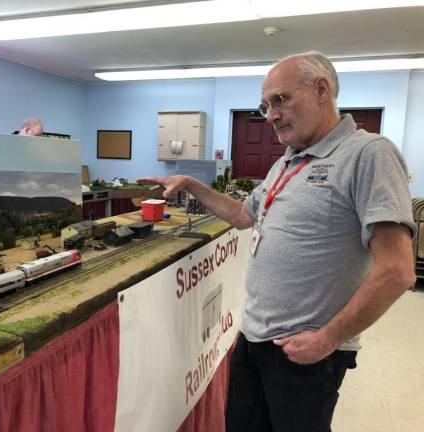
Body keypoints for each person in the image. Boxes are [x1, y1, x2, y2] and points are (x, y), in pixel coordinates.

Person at [138, 51, 416, 432]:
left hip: (306, 351)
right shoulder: (286, 162)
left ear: (321, 90)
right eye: (264, 105)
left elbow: (398, 270)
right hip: (253, 339)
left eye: (280, 100)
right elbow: (242, 216)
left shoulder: (368, 154)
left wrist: (327, 339)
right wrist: (190, 184)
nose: (270, 115)